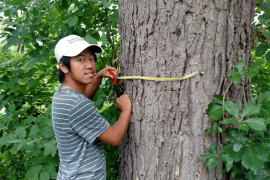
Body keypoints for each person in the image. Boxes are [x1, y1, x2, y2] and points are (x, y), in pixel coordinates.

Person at [52, 35, 131, 180]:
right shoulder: (77, 105)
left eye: (91, 58)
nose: (89, 65)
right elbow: (114, 138)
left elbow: (84, 98)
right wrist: (126, 110)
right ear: (63, 66)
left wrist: (99, 75)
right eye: (80, 59)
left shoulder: (63, 95)